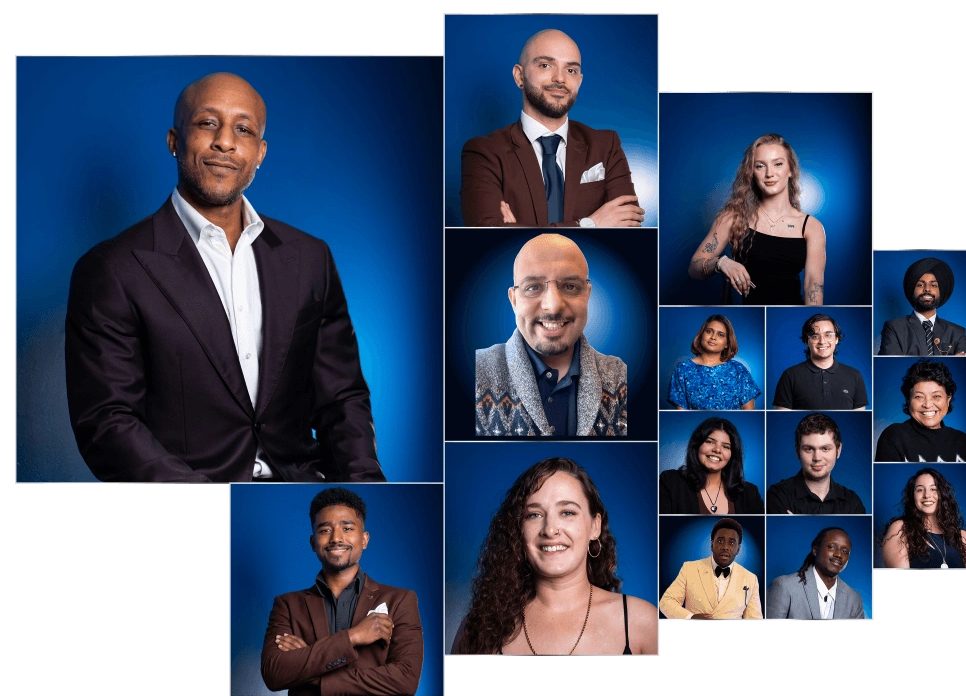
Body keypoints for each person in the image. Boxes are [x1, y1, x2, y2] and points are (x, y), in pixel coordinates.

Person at [65, 73, 384, 483]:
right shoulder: (111, 268)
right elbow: (106, 423)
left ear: (260, 152)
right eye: (207, 123)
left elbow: (342, 399)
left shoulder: (310, 257)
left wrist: (366, 489)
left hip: (298, 497)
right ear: (174, 141)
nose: (225, 142)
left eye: (244, 129)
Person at [452, 457, 658, 655]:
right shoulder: (478, 628)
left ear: (595, 526)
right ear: (518, 531)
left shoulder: (641, 622)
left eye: (567, 512)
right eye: (534, 514)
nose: (550, 530)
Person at [460, 28, 645, 228]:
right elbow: (487, 236)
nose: (560, 78)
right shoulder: (484, 152)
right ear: (519, 76)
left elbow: (629, 227)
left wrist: (515, 230)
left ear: (579, 81)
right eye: (546, 65)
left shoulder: (606, 146)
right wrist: (589, 224)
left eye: (571, 70)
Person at [260, 488, 423, 695]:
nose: (336, 538)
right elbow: (274, 674)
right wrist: (353, 636)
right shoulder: (288, 605)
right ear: (313, 542)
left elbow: (405, 681)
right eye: (325, 530)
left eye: (347, 528)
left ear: (364, 539)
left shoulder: (400, 601)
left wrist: (309, 670)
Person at [476, 234, 626, 436]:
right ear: (514, 300)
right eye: (533, 287)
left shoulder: (621, 377)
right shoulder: (477, 371)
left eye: (570, 286)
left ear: (587, 295)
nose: (553, 305)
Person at [686, 133, 826, 305]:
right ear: (751, 172)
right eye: (760, 166)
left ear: (790, 170)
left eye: (778, 164)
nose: (769, 173)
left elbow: (814, 286)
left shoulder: (811, 227)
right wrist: (720, 262)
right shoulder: (733, 218)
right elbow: (694, 268)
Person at [659, 517, 763, 619]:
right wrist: (691, 618)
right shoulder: (690, 569)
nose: (725, 547)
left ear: (738, 549)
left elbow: (755, 620)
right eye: (720, 541)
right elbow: (666, 602)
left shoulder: (750, 579)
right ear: (712, 545)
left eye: (731, 542)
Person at [659, 417, 764, 514]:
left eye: (726, 447)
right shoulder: (670, 481)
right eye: (710, 442)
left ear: (732, 455)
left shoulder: (750, 493)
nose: (717, 450)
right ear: (697, 446)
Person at [767, 413, 866, 514]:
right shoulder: (778, 495)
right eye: (809, 449)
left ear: (838, 450)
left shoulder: (852, 502)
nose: (817, 458)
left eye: (825, 449)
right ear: (797, 451)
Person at [874, 360, 966, 462]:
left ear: (948, 400)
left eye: (936, 396)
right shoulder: (894, 436)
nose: (927, 405)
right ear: (908, 400)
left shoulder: (962, 440)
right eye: (919, 397)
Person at [773, 314, 868, 410]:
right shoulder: (790, 376)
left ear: (836, 339)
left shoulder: (855, 376)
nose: (822, 341)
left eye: (828, 335)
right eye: (815, 336)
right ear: (806, 341)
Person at [766, 527, 866, 619]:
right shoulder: (784, 586)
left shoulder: (854, 599)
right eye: (831, 547)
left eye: (844, 551)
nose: (838, 554)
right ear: (815, 550)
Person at [667, 314, 760, 410]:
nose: (713, 337)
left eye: (720, 335)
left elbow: (748, 409)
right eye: (709, 331)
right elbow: (681, 411)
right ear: (701, 335)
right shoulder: (682, 369)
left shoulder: (738, 370)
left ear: (727, 343)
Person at [878, 257, 966, 356]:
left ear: (940, 291)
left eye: (933, 285)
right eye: (920, 285)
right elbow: (892, 363)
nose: (927, 289)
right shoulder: (894, 328)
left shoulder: (957, 332)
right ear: (912, 290)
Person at [880, 468, 966, 568]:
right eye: (920, 490)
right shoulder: (901, 529)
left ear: (943, 494)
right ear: (913, 496)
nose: (927, 495)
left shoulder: (962, 537)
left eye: (933, 489)